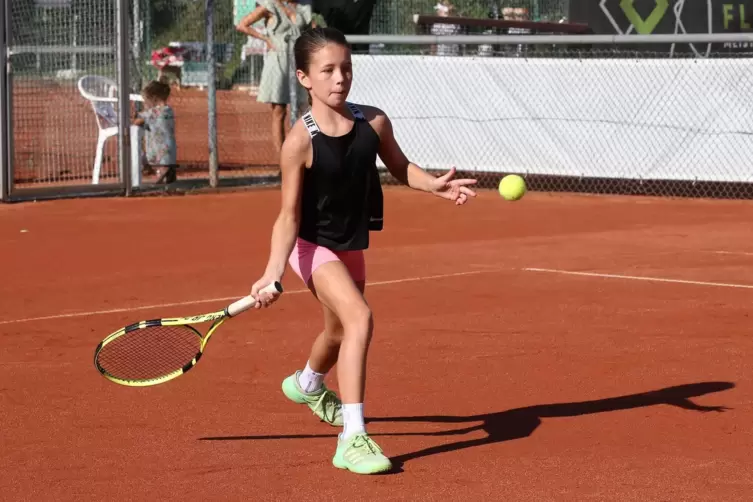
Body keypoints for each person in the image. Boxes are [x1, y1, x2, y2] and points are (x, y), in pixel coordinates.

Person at [249, 26, 478, 475]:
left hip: (351, 245)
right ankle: (352, 438)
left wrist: (433, 185)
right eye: (328, 70)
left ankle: (308, 383)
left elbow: (400, 166)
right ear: (304, 78)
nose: (340, 78)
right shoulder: (299, 142)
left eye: (346, 68)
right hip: (312, 248)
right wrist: (272, 271)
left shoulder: (373, 122)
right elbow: (288, 217)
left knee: (338, 333)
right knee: (361, 318)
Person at [236, 1, 314, 155]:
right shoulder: (269, 6)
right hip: (277, 61)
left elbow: (312, 28)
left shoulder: (301, 7)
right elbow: (242, 25)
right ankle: (284, 161)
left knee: (305, 109)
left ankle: (308, 154)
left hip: (298, 61)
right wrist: (266, 39)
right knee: (279, 111)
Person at [132, 79, 177, 184]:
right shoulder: (167, 110)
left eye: (146, 101)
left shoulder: (155, 111)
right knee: (167, 163)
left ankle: (163, 173)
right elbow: (155, 124)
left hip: (160, 146)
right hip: (169, 145)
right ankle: (169, 174)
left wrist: (135, 118)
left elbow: (138, 121)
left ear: (154, 99)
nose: (145, 104)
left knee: (161, 164)